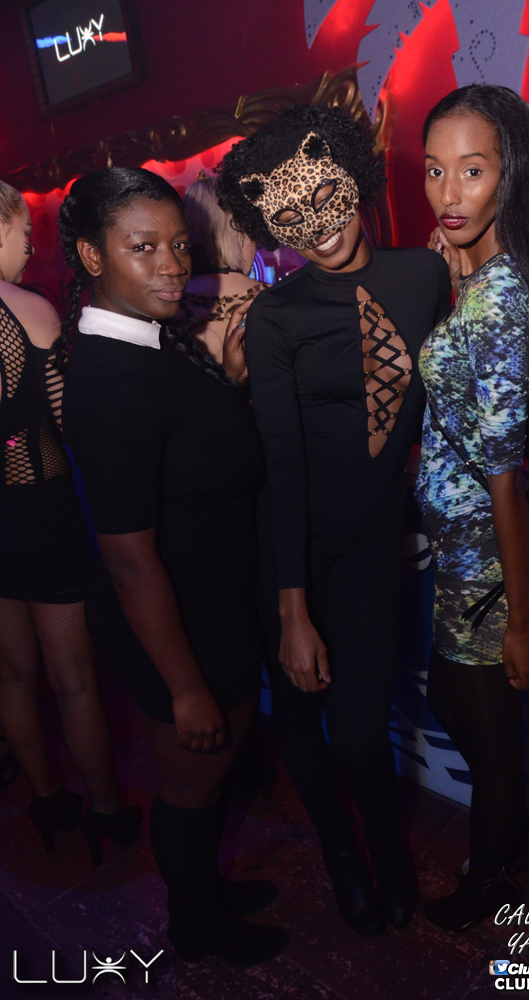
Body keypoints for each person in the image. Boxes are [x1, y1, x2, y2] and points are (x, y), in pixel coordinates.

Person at [217, 104, 451, 936]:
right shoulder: (276, 318)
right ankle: (340, 854)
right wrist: (292, 610)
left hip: (371, 543)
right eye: (289, 216)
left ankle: (383, 846)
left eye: (325, 196)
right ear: (267, 224)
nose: (316, 225)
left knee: (357, 733)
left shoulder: (423, 277)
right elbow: (282, 466)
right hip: (289, 546)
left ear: (354, 176)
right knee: (303, 725)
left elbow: (456, 388)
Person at [54, 167, 288, 966]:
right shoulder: (110, 377)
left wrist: (228, 384)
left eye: (179, 245)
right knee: (192, 784)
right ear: (92, 255)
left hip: (206, 601)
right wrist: (184, 686)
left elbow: (184, 445)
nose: (170, 265)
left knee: (212, 777)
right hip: (172, 621)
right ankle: (194, 923)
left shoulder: (150, 340)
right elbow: (126, 558)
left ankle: (207, 891)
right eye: (142, 247)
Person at [417, 84, 529, 932]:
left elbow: (501, 482)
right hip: (463, 558)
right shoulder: (481, 276)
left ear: (509, 176)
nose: (448, 193)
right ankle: (518, 837)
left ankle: (492, 871)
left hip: (489, 561)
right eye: (434, 171)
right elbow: (482, 398)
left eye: (473, 170)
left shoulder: (497, 298)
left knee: (486, 741)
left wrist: (523, 620)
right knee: (454, 706)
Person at [0, 179, 140, 859]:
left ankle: (46, 799)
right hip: (42, 515)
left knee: (12, 675)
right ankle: (106, 814)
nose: (30, 247)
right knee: (74, 679)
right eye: (23, 232)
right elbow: (71, 424)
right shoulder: (31, 310)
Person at [178, 174, 265, 363]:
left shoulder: (166, 304)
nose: (255, 245)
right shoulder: (274, 300)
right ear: (240, 232)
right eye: (253, 232)